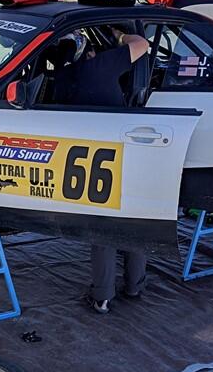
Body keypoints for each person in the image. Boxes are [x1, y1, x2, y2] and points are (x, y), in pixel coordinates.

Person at [53, 26, 150, 314]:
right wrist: (118, 35)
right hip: (123, 152)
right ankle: (134, 285)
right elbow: (141, 44)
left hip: (85, 163)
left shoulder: (62, 77)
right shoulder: (101, 66)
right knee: (134, 219)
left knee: (102, 229)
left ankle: (103, 295)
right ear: (90, 52)